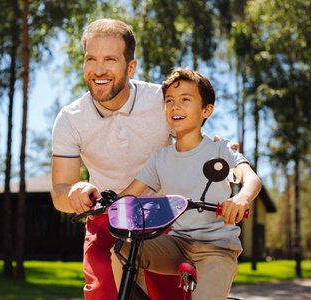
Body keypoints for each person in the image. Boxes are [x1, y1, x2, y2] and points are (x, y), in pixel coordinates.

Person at [51, 18, 238, 299]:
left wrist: (219, 152)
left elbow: (191, 141)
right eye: (91, 59)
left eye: (110, 59)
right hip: (108, 218)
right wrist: (75, 192)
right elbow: (59, 191)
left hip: (165, 219)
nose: (98, 70)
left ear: (131, 67)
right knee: (102, 292)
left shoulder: (160, 101)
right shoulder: (70, 119)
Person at [111, 67, 262, 300]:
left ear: (206, 110)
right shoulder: (160, 157)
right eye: (169, 100)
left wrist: (241, 198)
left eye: (185, 99)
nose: (175, 106)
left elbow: (251, 178)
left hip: (217, 248)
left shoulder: (220, 149)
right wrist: (105, 202)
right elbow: (129, 196)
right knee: (123, 249)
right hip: (177, 245)